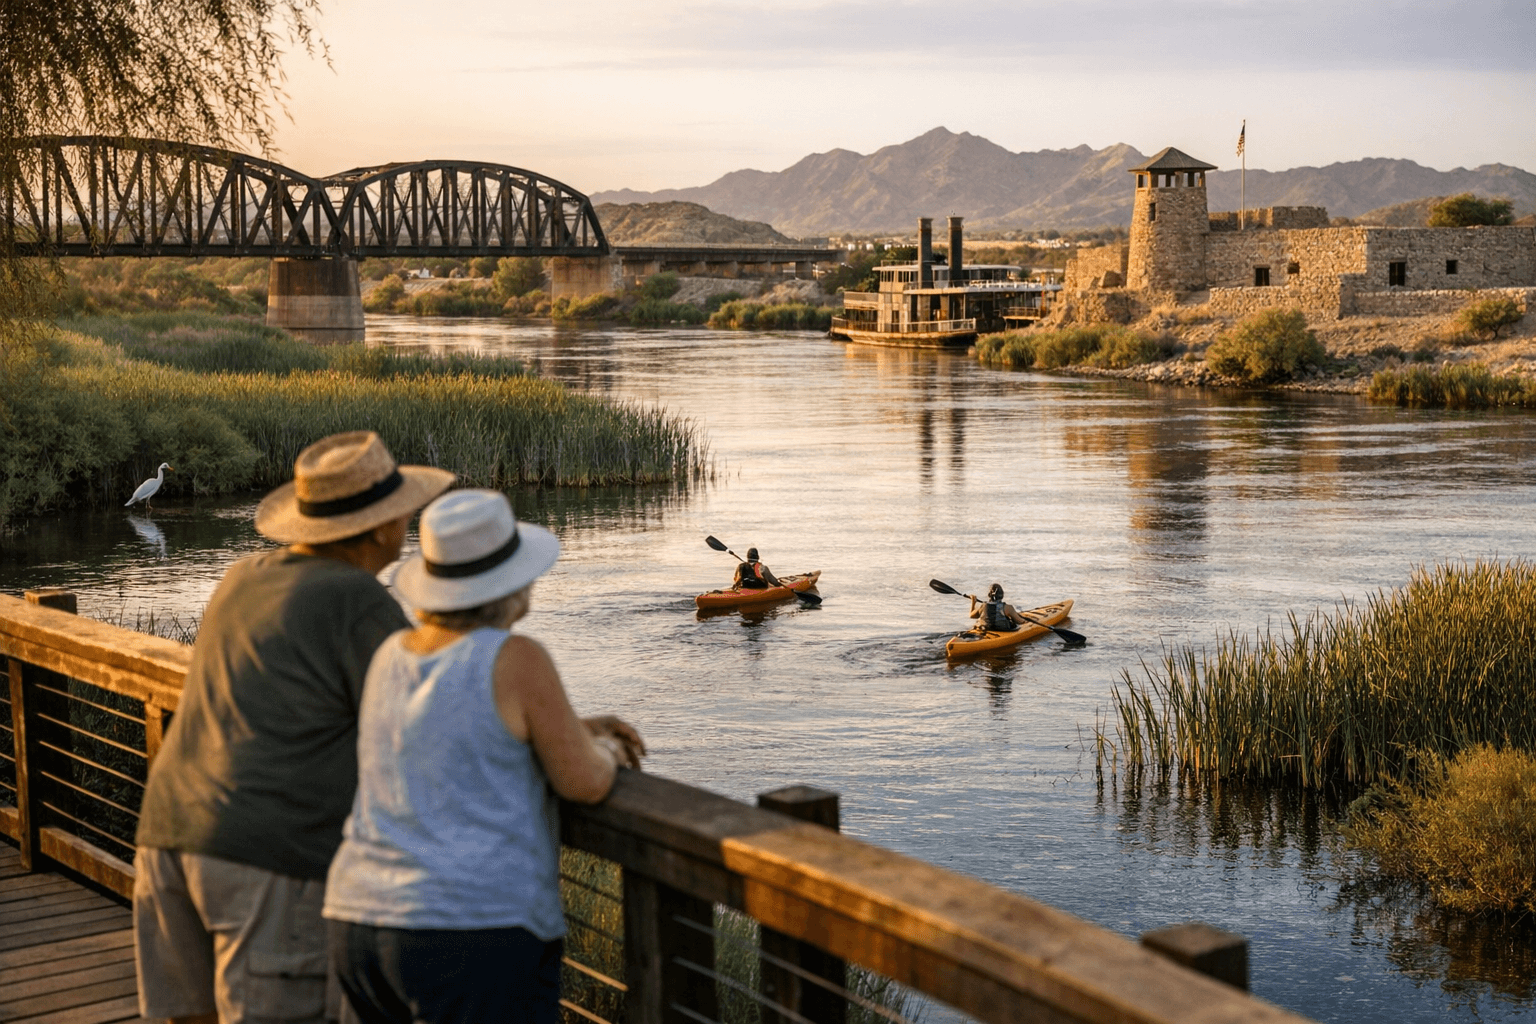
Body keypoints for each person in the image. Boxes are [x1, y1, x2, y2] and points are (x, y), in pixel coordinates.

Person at [133, 431, 454, 1024]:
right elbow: (435, 729)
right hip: (267, 863)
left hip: (168, 837)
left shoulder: (244, 577)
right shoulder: (357, 600)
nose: (407, 520)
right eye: (401, 508)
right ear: (380, 525)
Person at [323, 489, 645, 1024]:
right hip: (469, 932)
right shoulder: (517, 658)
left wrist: (571, 727)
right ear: (514, 583)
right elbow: (584, 782)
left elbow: (452, 729)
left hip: (359, 919)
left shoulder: (391, 654)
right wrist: (606, 747)